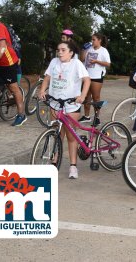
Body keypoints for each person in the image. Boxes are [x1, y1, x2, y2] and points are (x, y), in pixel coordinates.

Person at [38, 41, 90, 179]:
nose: (59, 52)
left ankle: (73, 166)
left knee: (71, 137)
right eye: (58, 50)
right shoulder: (54, 62)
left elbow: (87, 80)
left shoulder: (76, 64)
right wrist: (42, 90)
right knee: (57, 133)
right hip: (55, 103)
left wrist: (82, 96)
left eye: (63, 50)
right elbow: (47, 78)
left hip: (71, 104)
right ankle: (54, 161)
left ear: (71, 52)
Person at [79, 32, 110, 125]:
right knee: (86, 97)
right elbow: (82, 59)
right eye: (91, 39)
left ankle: (97, 118)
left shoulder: (103, 51)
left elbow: (108, 64)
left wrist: (96, 61)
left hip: (97, 76)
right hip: (87, 76)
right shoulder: (89, 49)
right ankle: (87, 116)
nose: (92, 41)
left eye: (94, 40)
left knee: (96, 98)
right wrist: (84, 49)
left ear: (99, 40)